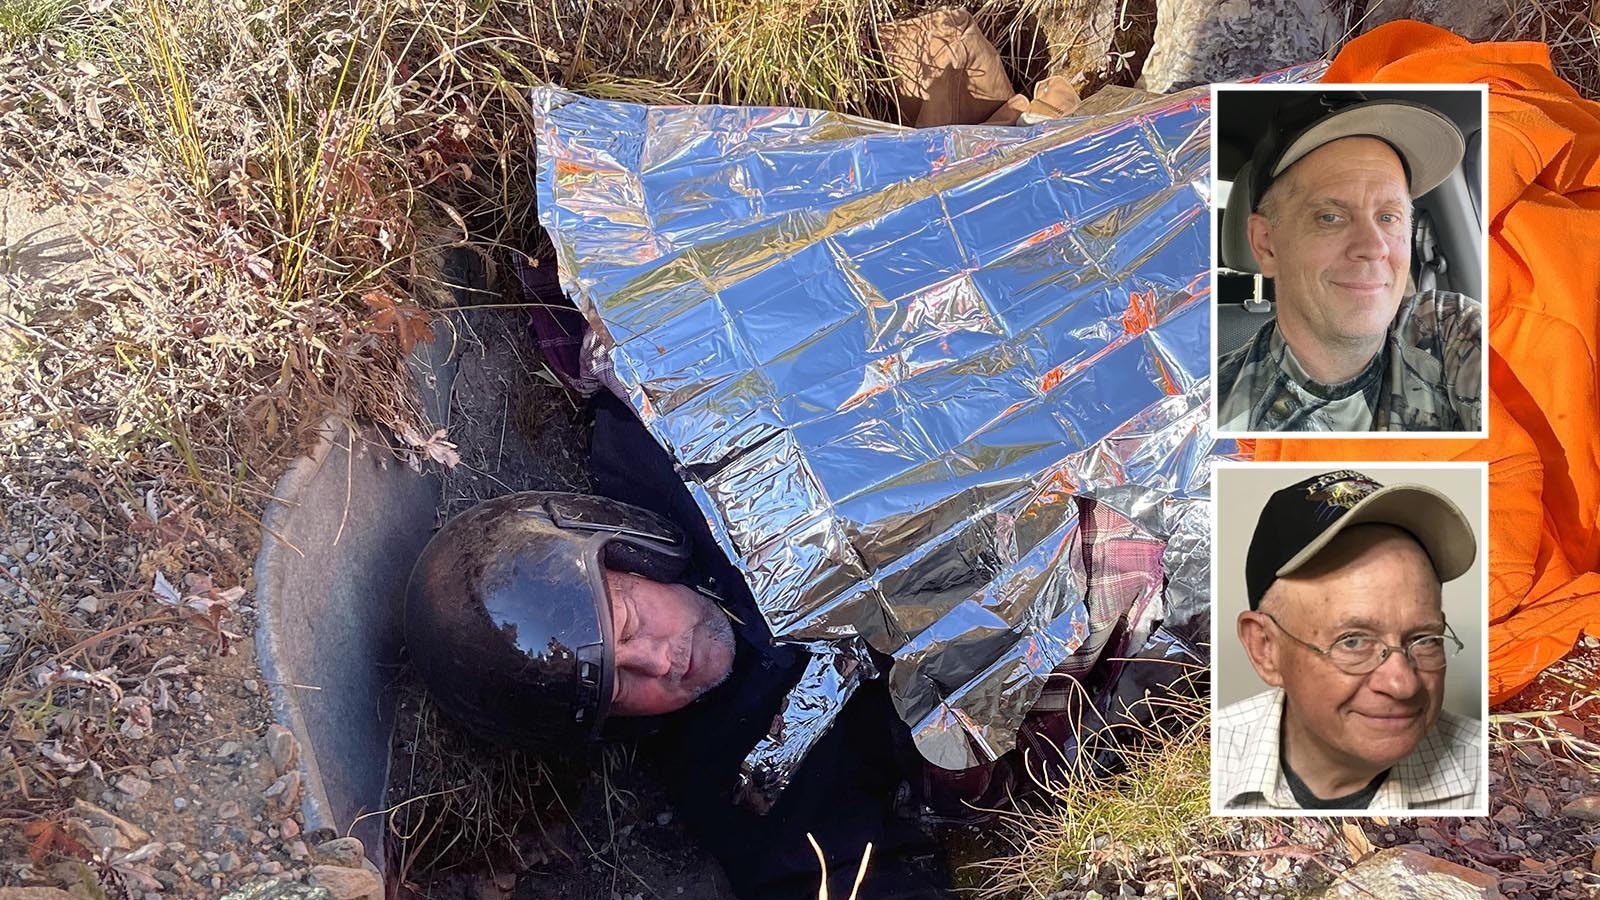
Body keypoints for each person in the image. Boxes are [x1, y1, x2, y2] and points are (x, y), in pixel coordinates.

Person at [406, 390, 955, 900]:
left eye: (626, 624)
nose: (660, 661)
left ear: (628, 550)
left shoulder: (677, 448)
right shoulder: (739, 786)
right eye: (620, 688)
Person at [1212, 470, 1485, 812]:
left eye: (1425, 639)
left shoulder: (1493, 773)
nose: (1403, 684)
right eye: (1354, 642)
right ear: (1265, 648)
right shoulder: (1207, 760)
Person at [1215, 95, 1484, 432]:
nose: (1374, 247)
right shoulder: (1211, 413)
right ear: (1266, 245)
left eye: (1388, 216)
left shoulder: (1452, 330)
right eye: (1330, 217)